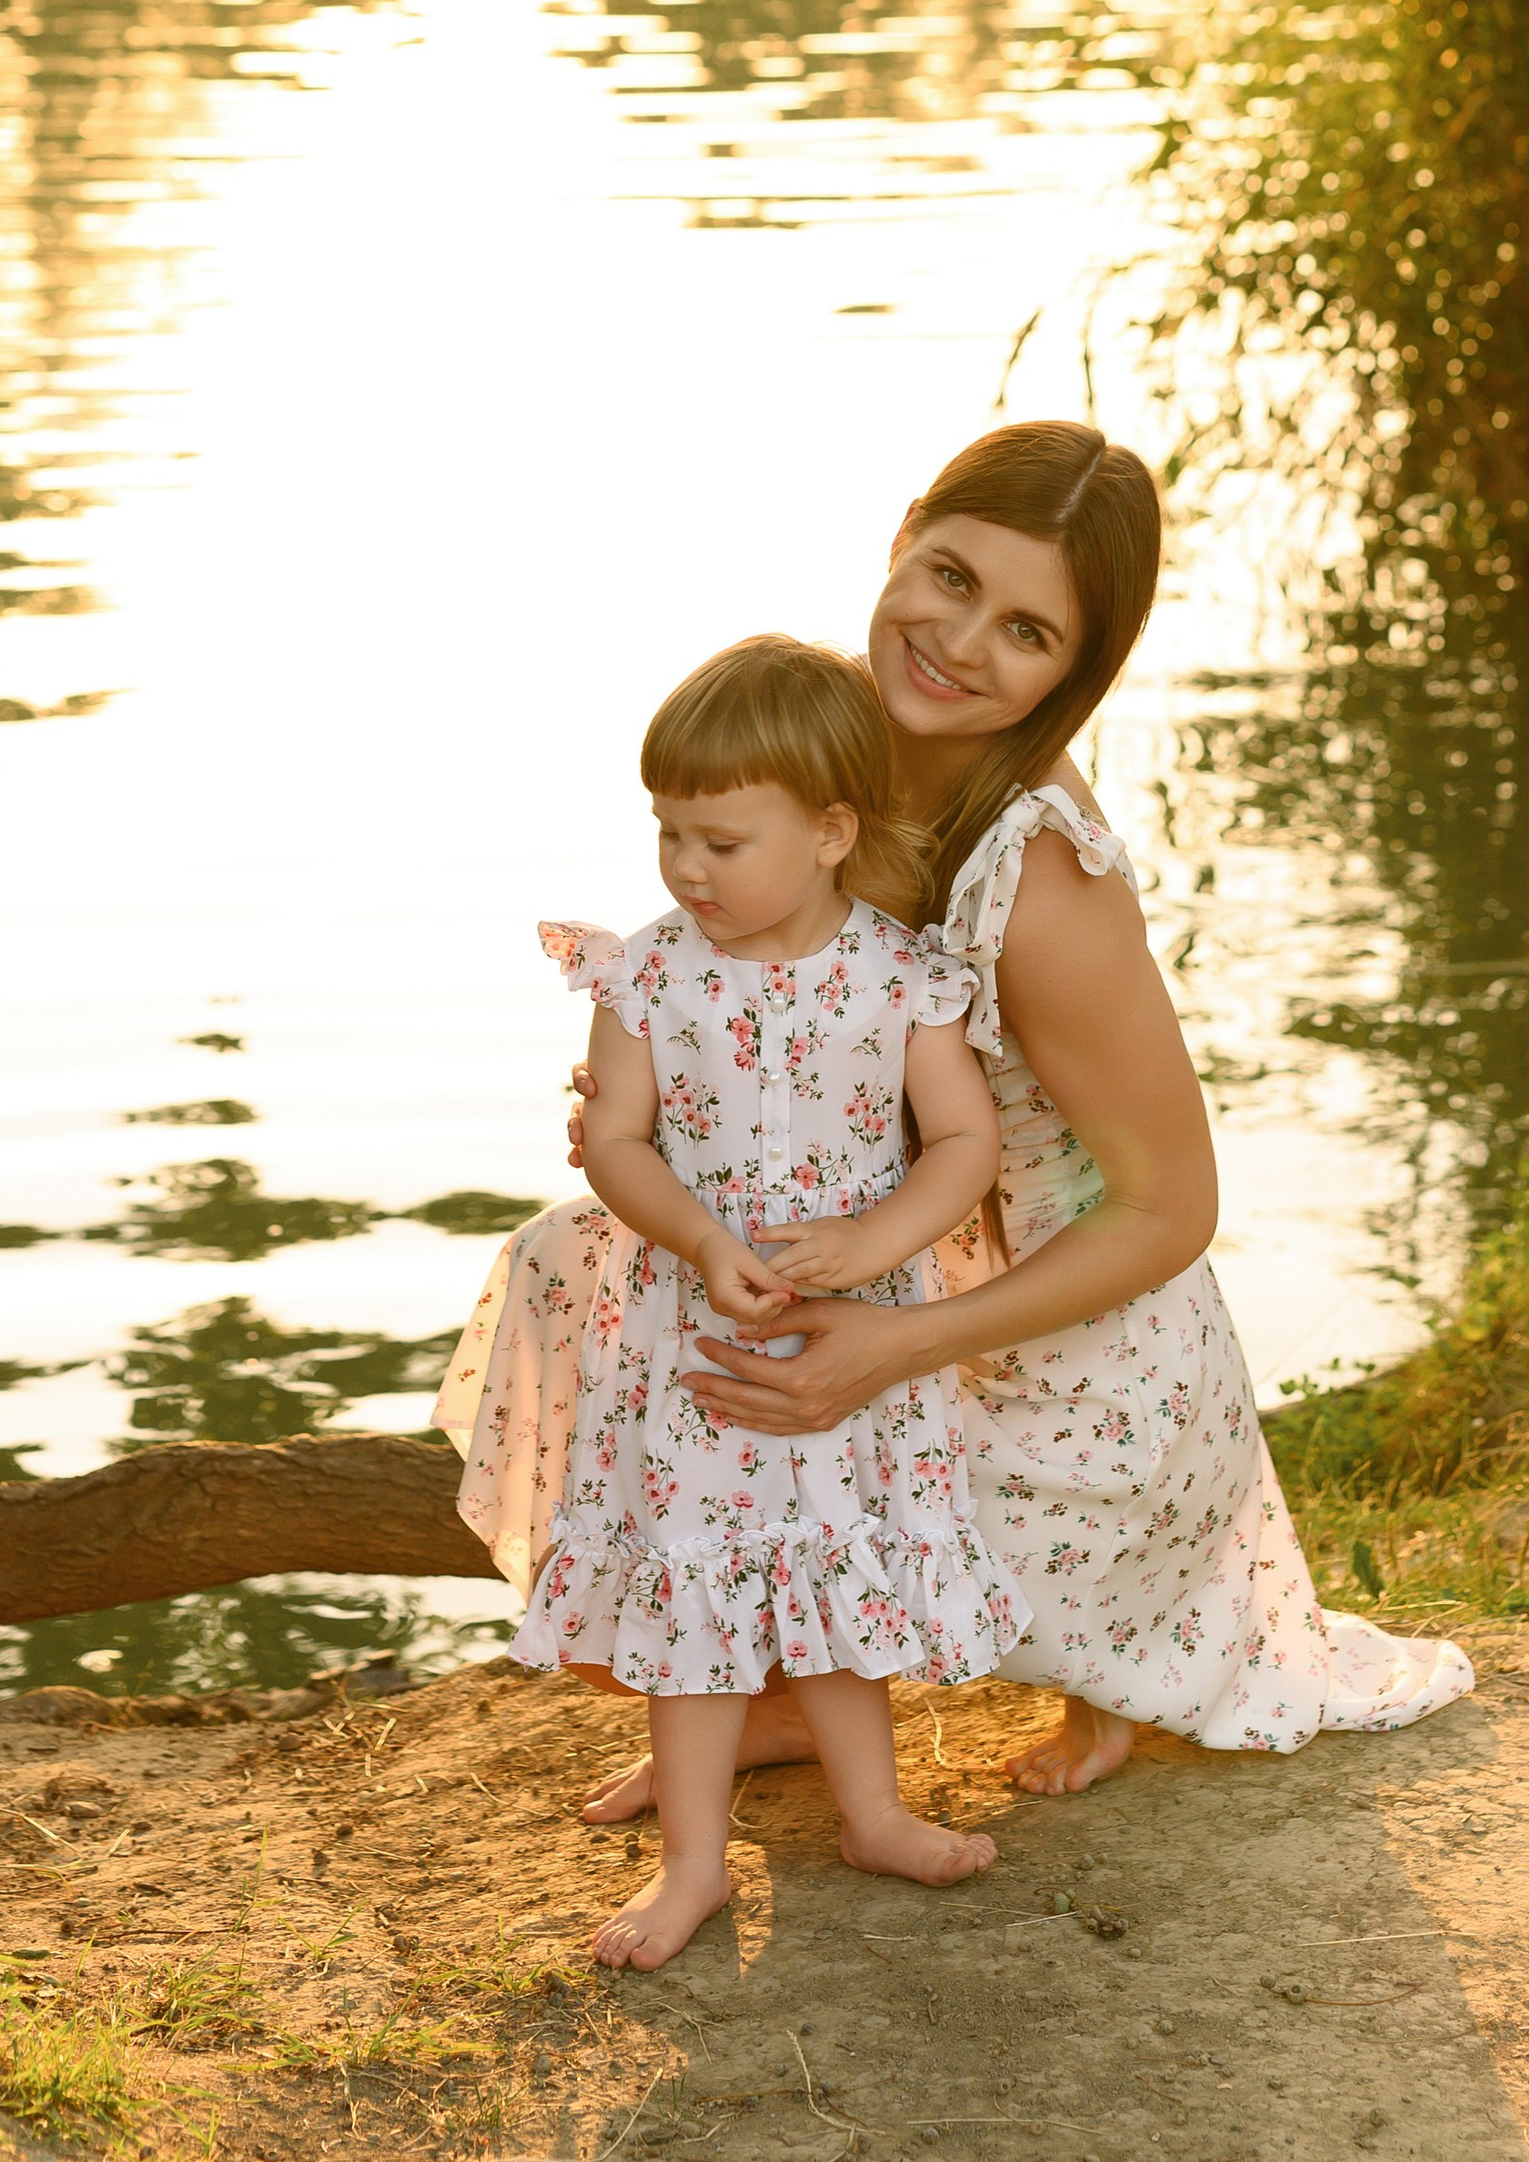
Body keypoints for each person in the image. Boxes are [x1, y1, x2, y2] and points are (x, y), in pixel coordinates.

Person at [439, 417, 1472, 1812]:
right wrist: (660, 1106)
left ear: (1073, 671)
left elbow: (1175, 1208)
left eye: (1028, 632)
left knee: (801, 1430)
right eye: (949, 576)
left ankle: (1104, 1669)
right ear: (902, 537)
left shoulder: (1038, 877)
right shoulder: (817, 748)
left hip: (1058, 1353)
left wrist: (896, 1346)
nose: (960, 641)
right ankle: (790, 1691)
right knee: (586, 1262)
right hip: (891, 1247)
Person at [516, 634, 1028, 1970]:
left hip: (846, 1324)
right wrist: (695, 1233)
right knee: (695, 1591)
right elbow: (618, 1141)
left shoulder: (899, 974)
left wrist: (872, 1241)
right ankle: (696, 1867)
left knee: (835, 1566)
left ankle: (872, 1811)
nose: (688, 870)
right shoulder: (649, 977)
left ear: (827, 831)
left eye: (721, 841)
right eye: (669, 834)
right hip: (695, 1335)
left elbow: (963, 1143)